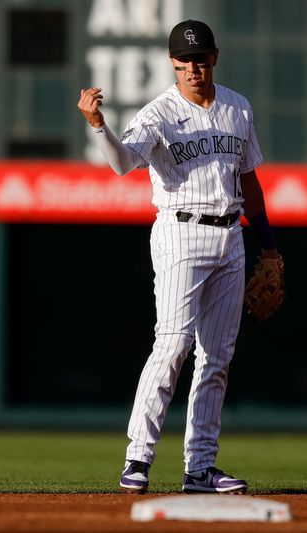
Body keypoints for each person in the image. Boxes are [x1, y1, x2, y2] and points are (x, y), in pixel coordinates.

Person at [77, 19, 280, 495]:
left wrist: (268, 245)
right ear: (173, 62)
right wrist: (98, 126)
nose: (194, 66)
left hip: (231, 236)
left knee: (217, 358)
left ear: (215, 57)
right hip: (180, 232)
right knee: (172, 346)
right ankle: (137, 458)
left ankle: (200, 468)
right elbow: (125, 163)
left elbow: (250, 184)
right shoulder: (158, 114)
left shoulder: (238, 109)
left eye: (201, 57)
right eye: (185, 59)